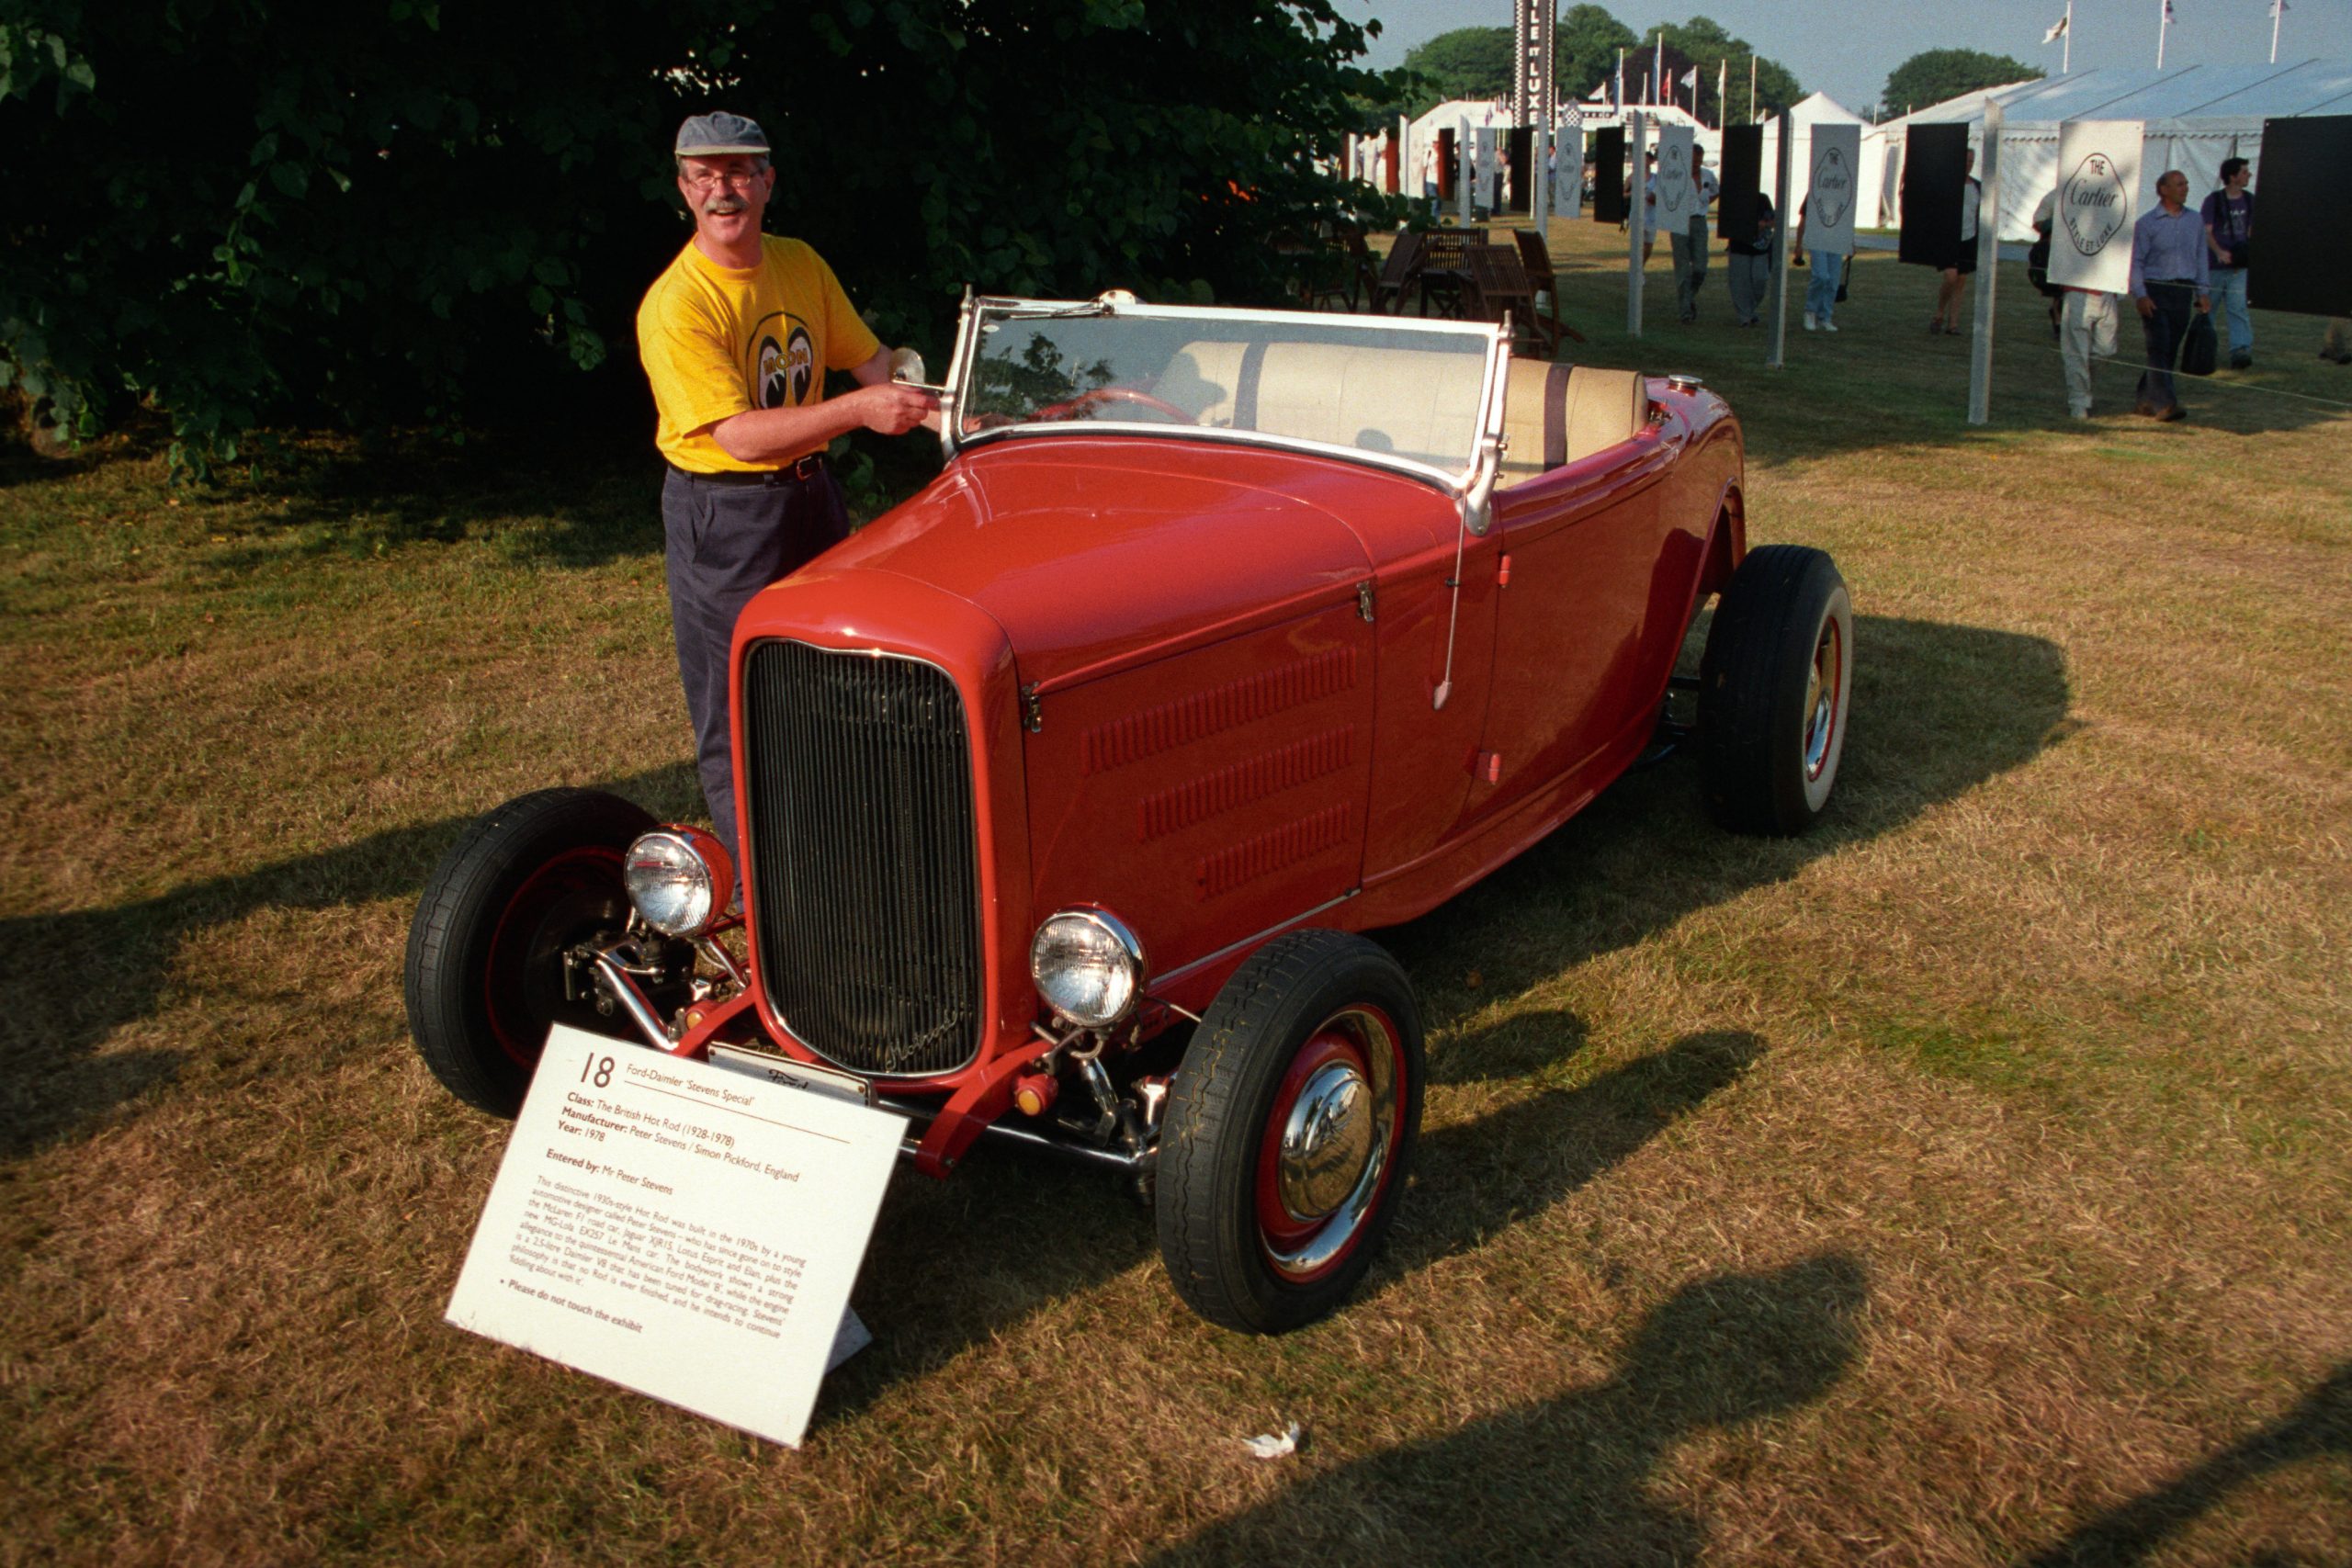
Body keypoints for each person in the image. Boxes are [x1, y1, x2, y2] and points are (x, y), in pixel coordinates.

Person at [637, 111, 938, 858]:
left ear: (768, 182)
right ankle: (757, 896)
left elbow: (876, 364)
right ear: (683, 189)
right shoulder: (678, 303)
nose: (723, 190)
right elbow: (737, 436)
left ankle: (838, 856)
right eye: (704, 176)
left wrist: (968, 416)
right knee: (738, 708)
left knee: (833, 676)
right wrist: (862, 411)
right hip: (725, 514)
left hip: (811, 496)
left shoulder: (799, 262)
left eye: (739, 172)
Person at [2127, 169, 2213, 423]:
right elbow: (2136, 262)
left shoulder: (2194, 220)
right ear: (2163, 189)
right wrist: (2140, 295)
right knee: (2158, 346)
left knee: (2169, 347)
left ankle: (2145, 399)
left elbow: (2200, 257)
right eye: (2179, 184)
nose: (2185, 188)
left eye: (2186, 183)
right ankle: (2166, 403)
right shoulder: (2146, 224)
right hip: (2156, 290)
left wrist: (2203, 291)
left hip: (2182, 291)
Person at [2037, 186, 2119, 420]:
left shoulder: (2115, 195)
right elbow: (2040, 221)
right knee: (2076, 350)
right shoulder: (2063, 195)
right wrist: (2058, 225)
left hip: (2106, 286)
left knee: (2105, 350)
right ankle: (2078, 402)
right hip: (2076, 285)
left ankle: (2084, 389)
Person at [1647, 145, 1717, 322]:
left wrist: (1706, 202)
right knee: (1683, 268)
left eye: (1699, 161)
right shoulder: (1676, 174)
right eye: (1693, 160)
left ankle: (1689, 297)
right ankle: (1685, 310)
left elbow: (1716, 191)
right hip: (1679, 221)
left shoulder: (1708, 175)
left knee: (1701, 267)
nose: (1696, 164)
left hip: (1699, 220)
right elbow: (1652, 197)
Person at [2200, 157, 2255, 369]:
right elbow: (2206, 232)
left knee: (2238, 308)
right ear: (2232, 177)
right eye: (2244, 172)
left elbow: (2251, 231)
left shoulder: (2250, 200)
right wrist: (2219, 252)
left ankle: (2241, 349)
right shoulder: (2214, 200)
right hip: (2214, 266)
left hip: (2238, 267)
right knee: (2208, 309)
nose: (2248, 175)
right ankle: (2205, 348)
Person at [1930, 150, 1981, 334]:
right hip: (1948, 237)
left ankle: (1953, 323)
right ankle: (1939, 313)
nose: (1969, 164)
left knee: (1961, 280)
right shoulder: (1948, 184)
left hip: (1969, 237)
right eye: (1966, 160)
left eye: (1972, 161)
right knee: (1950, 276)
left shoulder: (1977, 186)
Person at [1791, 194, 1842, 333]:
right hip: (1817, 239)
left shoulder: (1843, 190)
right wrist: (1799, 244)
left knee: (1833, 281)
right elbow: (1804, 219)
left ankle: (1824, 317)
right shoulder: (1815, 191)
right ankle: (1810, 312)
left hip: (1835, 240)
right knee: (1820, 276)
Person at [1725, 190, 1775, 328]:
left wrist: (1763, 224)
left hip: (1760, 248)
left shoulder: (1763, 198)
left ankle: (1749, 310)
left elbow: (1772, 220)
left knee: (1760, 279)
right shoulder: (1732, 199)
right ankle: (1744, 317)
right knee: (1740, 283)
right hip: (1739, 246)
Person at [1420, 140, 1442, 222]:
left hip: (1440, 181)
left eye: (1438, 143)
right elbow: (1424, 168)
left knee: (1439, 202)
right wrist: (1423, 182)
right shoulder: (1429, 153)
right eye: (1435, 143)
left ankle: (1437, 220)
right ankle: (1432, 220)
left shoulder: (1442, 154)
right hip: (1430, 180)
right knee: (1434, 201)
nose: (1436, 145)